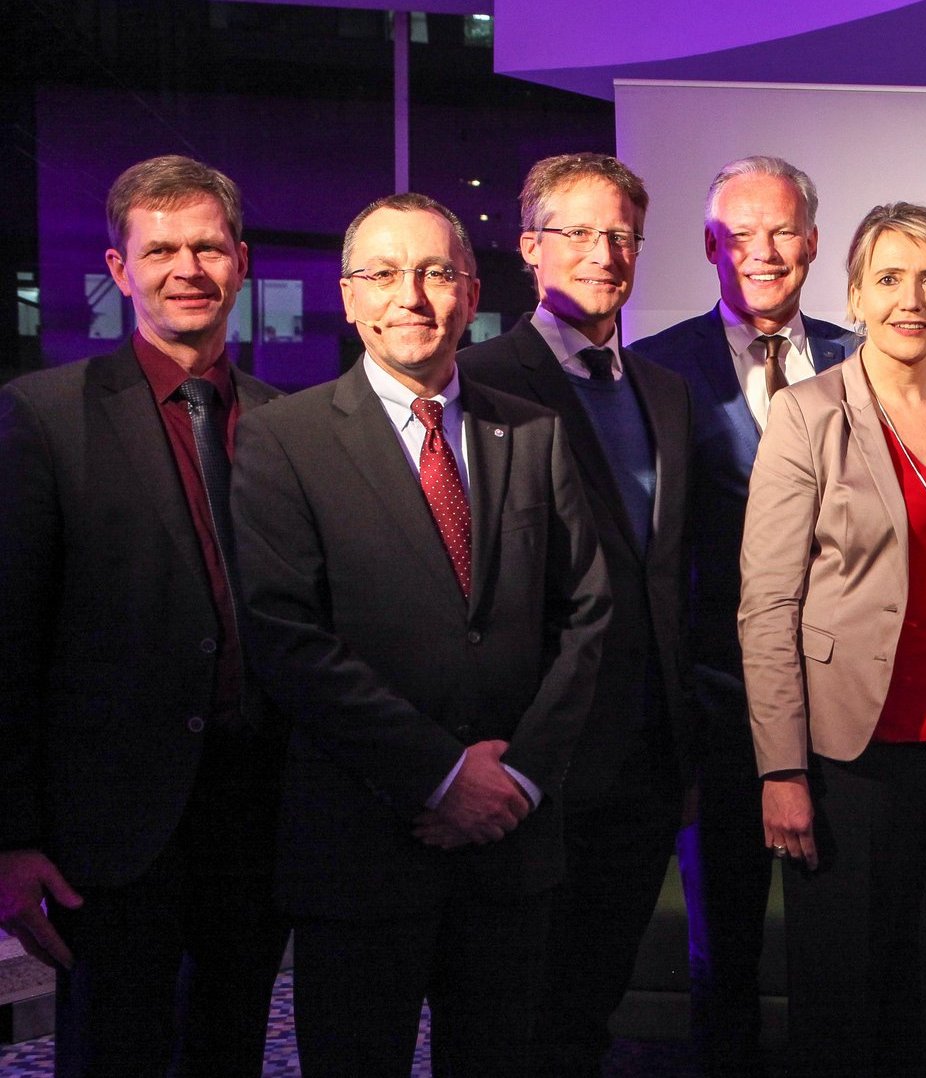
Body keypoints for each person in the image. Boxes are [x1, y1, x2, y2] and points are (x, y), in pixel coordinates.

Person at [231, 192, 610, 1076]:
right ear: (350, 296)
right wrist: (439, 777)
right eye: (384, 275)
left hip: (510, 848)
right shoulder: (285, 440)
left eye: (437, 272)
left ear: (472, 291)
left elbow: (587, 617)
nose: (412, 295)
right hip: (362, 849)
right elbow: (287, 636)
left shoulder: (536, 432)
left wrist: (512, 777)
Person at [0, 155, 290, 1076]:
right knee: (113, 1056)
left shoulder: (292, 424)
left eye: (208, 247)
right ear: (120, 270)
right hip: (112, 830)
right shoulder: (41, 418)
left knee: (231, 1048)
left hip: (261, 817)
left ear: (240, 262)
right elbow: (6, 643)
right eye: (160, 249)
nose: (188, 269)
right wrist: (11, 840)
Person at [740, 202, 926, 1077]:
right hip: (843, 753)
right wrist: (780, 768)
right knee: (840, 991)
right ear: (856, 294)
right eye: (891, 279)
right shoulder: (808, 413)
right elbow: (767, 603)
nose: (913, 300)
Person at [458, 152, 693, 1076]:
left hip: (640, 759)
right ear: (530, 248)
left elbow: (667, 574)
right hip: (531, 755)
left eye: (621, 235)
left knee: (590, 1007)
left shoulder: (664, 390)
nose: (604, 253)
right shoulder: (476, 378)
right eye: (580, 232)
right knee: (507, 1015)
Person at [634, 155, 857, 1076]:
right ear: (710, 246)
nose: (763, 253)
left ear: (811, 240)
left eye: (782, 232)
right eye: (741, 234)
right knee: (723, 955)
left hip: (846, 710)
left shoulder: (865, 358)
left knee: (836, 953)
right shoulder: (655, 371)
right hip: (718, 709)